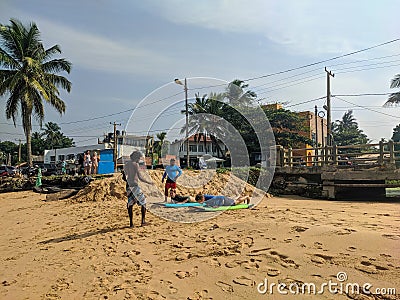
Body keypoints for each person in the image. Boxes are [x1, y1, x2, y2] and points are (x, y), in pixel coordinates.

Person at [124, 151, 152, 227]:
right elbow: (140, 177)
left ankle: (131, 223)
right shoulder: (135, 164)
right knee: (143, 202)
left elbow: (124, 176)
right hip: (135, 186)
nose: (139, 160)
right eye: (139, 158)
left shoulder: (127, 164)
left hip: (128, 186)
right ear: (136, 158)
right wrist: (148, 182)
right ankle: (143, 221)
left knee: (130, 204)